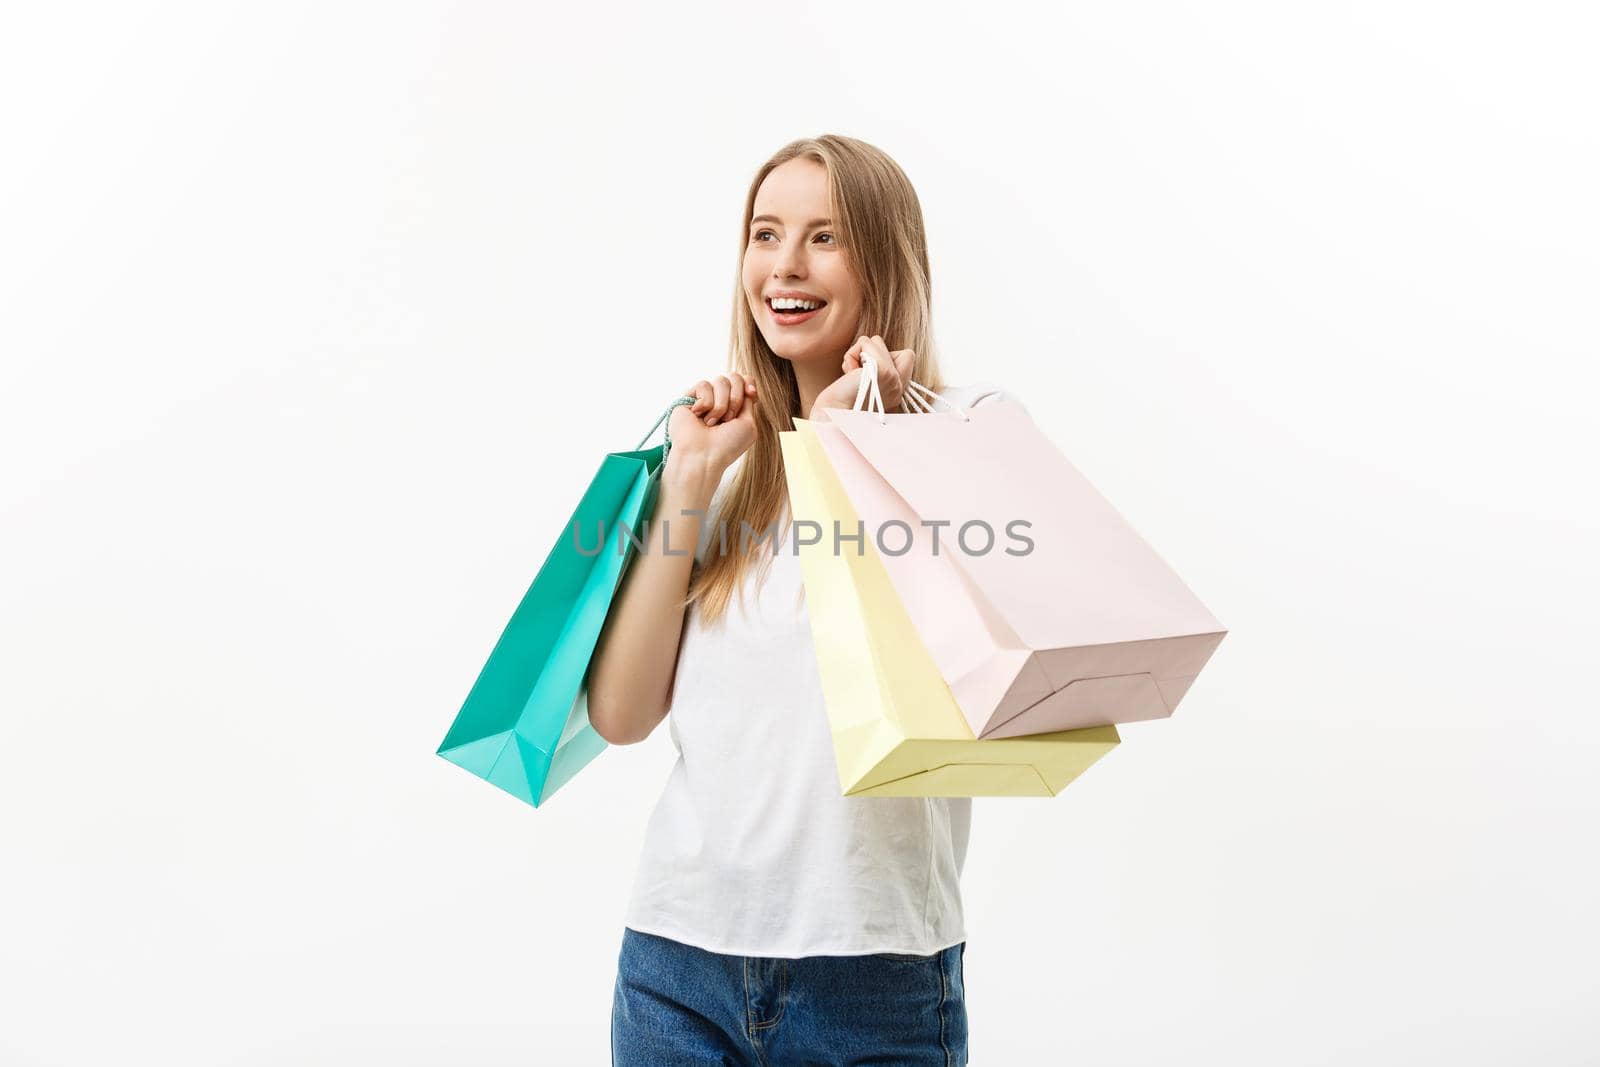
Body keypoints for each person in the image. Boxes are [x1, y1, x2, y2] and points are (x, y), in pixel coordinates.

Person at [587, 134, 1014, 1067]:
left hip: (873, 971)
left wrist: (848, 454)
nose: (784, 265)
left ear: (884, 261)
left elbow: (952, 691)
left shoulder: (969, 433)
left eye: (824, 237)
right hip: (675, 961)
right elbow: (621, 715)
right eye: (765, 232)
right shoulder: (722, 464)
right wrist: (691, 478)